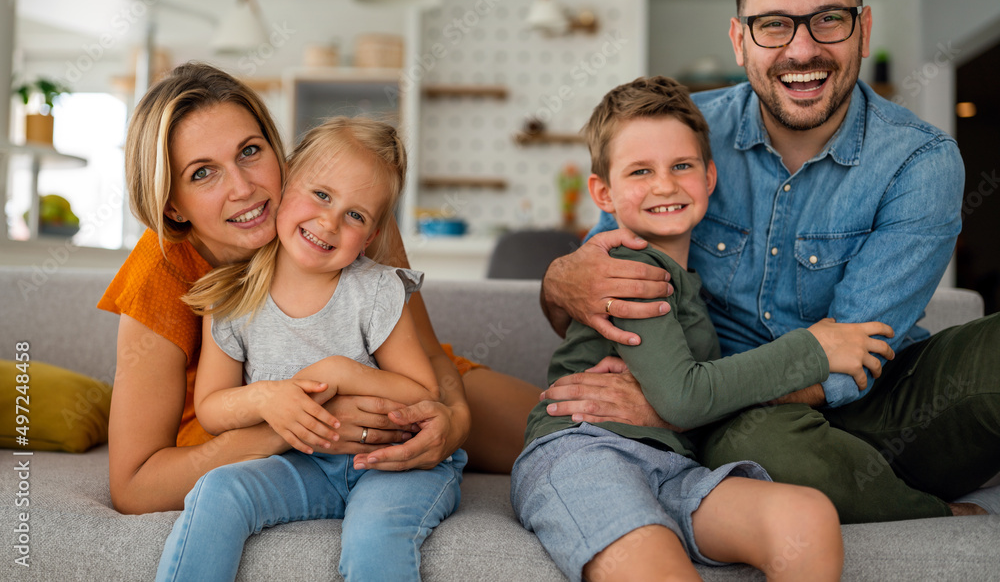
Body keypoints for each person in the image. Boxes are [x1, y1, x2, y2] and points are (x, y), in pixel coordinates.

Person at [539, 0, 1000, 523]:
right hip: (747, 424)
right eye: (773, 24)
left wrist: (678, 407)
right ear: (739, 39)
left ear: (863, 30)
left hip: (882, 407)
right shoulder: (677, 140)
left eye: (828, 19)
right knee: (760, 446)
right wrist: (558, 280)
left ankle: (859, 480)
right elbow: (608, 290)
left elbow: (855, 357)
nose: (802, 50)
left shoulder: (922, 161)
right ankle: (931, 513)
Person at [97, 63, 534, 519]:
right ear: (172, 203)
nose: (244, 188)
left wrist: (455, 422)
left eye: (250, 151)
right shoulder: (159, 269)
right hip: (242, 421)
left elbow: (429, 354)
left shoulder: (347, 210)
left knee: (573, 429)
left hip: (393, 382)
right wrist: (301, 424)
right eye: (203, 173)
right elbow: (134, 487)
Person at [512, 76, 869, 582]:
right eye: (640, 171)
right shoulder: (623, 267)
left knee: (805, 518)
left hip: (675, 465)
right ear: (603, 193)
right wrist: (815, 349)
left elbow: (681, 401)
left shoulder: (687, 281)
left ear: (709, 177)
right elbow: (684, 398)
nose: (664, 184)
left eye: (681, 166)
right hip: (585, 453)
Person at [156, 117, 465, 581]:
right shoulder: (230, 297)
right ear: (285, 182)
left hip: (394, 462)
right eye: (321, 195)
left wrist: (342, 371)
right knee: (218, 489)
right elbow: (212, 409)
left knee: (375, 533)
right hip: (303, 467)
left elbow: (423, 393)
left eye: (355, 215)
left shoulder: (379, 290)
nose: (329, 222)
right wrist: (266, 396)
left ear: (373, 234)